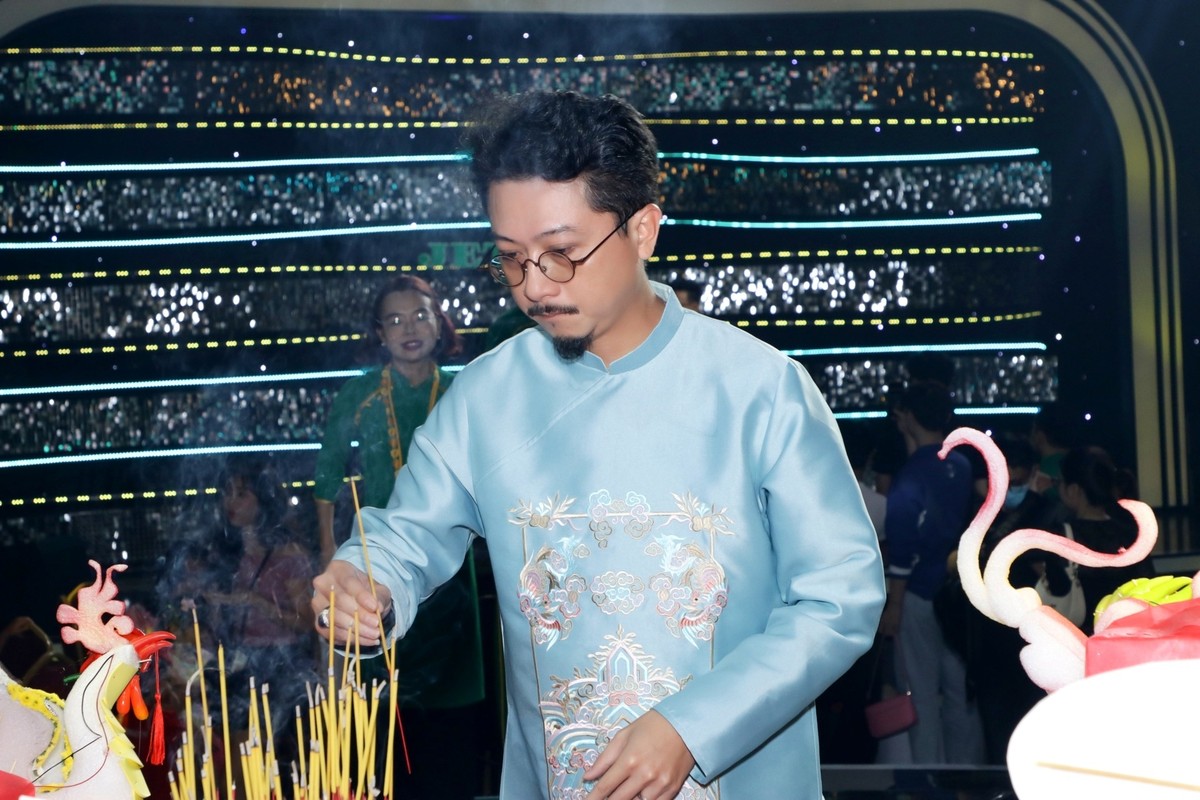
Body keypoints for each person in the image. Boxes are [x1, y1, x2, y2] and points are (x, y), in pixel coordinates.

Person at [311, 89, 884, 800]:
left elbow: (840, 596)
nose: (535, 288)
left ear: (642, 230)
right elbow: (402, 536)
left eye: (562, 254)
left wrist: (689, 728)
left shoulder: (760, 389)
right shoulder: (489, 396)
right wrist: (365, 585)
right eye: (511, 259)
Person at [311, 275, 486, 800]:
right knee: (383, 730)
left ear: (441, 323)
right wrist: (328, 562)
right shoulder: (360, 394)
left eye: (421, 315)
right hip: (374, 575)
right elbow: (325, 482)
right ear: (379, 334)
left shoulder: (464, 389)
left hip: (456, 573)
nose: (409, 328)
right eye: (394, 319)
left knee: (457, 733)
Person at [879, 381, 984, 764]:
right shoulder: (960, 464)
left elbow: (904, 547)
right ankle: (966, 774)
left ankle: (929, 778)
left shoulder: (910, 478)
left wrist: (894, 604)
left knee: (922, 691)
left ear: (907, 417)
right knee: (959, 689)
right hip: (956, 591)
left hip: (919, 594)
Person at [1057, 446, 1154, 634]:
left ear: (1073, 489)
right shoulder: (1131, 532)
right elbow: (1147, 583)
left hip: (1078, 638)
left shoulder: (1061, 536)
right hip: (1125, 634)